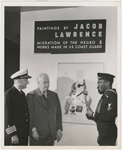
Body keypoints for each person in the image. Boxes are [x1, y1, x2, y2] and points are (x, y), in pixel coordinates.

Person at [27, 73, 63, 146]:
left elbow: (58, 114)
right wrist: (33, 130)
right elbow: (30, 115)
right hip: (38, 134)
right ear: (38, 83)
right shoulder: (31, 95)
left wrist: (59, 129)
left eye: (48, 82)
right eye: (44, 82)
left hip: (51, 135)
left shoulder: (54, 95)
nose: (47, 85)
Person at [85, 73, 117, 146]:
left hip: (108, 133)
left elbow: (110, 116)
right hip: (103, 133)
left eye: (99, 82)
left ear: (107, 83)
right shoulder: (106, 95)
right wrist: (88, 106)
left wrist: (93, 114)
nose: (97, 86)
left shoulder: (112, 96)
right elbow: (100, 116)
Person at [5, 68, 32, 146]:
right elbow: (7, 117)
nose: (28, 82)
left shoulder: (22, 94)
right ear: (19, 81)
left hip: (22, 133)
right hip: (14, 136)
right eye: (26, 80)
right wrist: (13, 134)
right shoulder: (8, 94)